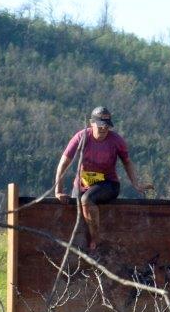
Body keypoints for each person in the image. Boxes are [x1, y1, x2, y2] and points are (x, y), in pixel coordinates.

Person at [54, 106, 152, 252]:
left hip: (108, 184)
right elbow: (64, 163)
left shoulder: (116, 140)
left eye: (107, 126)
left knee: (87, 200)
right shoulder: (81, 137)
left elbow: (127, 162)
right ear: (91, 123)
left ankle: (95, 240)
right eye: (100, 125)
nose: (104, 129)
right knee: (75, 207)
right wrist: (58, 191)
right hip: (82, 184)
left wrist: (136, 184)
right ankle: (76, 247)